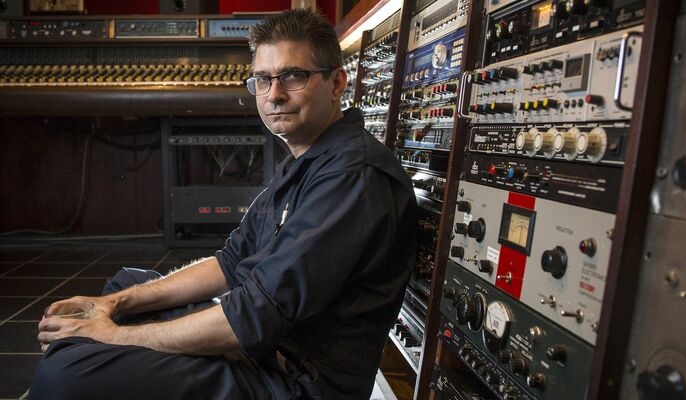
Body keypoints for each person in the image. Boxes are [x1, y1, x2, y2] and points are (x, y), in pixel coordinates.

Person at [29, 8, 417, 400]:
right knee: (125, 286)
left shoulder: (352, 177)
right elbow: (230, 262)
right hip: (262, 348)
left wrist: (114, 337)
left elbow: (253, 316)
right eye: (263, 80)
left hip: (294, 380)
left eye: (293, 76)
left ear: (336, 84)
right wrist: (113, 303)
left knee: (64, 373)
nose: (274, 94)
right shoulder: (309, 159)